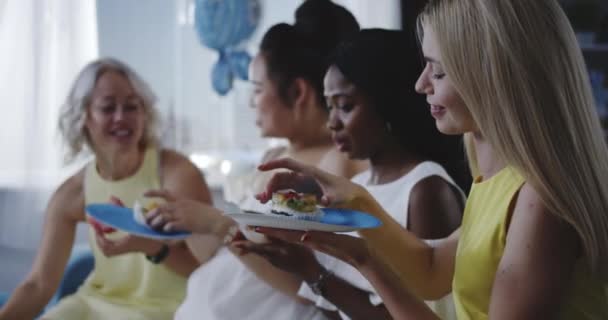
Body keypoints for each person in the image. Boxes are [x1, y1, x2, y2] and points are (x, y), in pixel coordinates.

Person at [250, 0, 608, 319]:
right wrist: (357, 224)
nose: (421, 84)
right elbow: (432, 270)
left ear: (493, 76)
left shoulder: (538, 199)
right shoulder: (498, 180)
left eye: (438, 71)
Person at [146, 1, 365, 319]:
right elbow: (226, 258)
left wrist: (218, 223)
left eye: (258, 89)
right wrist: (179, 218)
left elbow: (312, 288)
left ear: (299, 92)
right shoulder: (274, 157)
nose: (251, 102)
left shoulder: (334, 166)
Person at [235, 28, 467, 320]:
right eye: (329, 106)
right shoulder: (358, 186)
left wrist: (311, 271)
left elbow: (419, 314)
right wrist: (299, 262)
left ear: (386, 103)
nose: (332, 122)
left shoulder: (425, 190)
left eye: (345, 106)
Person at [0, 58, 213, 320]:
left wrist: (154, 248)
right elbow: (39, 285)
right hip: (94, 303)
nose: (121, 117)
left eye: (132, 106)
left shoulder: (176, 174)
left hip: (161, 308)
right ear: (85, 117)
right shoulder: (73, 193)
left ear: (144, 113)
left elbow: (210, 270)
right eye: (108, 107)